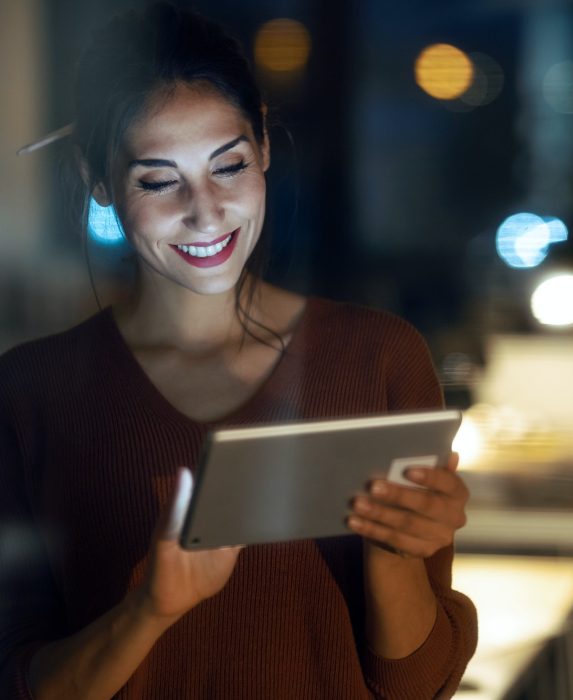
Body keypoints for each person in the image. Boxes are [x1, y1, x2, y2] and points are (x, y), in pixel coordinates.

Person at [0, 3, 477, 698]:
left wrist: (394, 553)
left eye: (229, 166)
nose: (206, 211)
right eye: (159, 180)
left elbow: (416, 685)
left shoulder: (379, 358)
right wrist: (147, 612)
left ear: (264, 145)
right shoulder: (28, 392)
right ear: (97, 179)